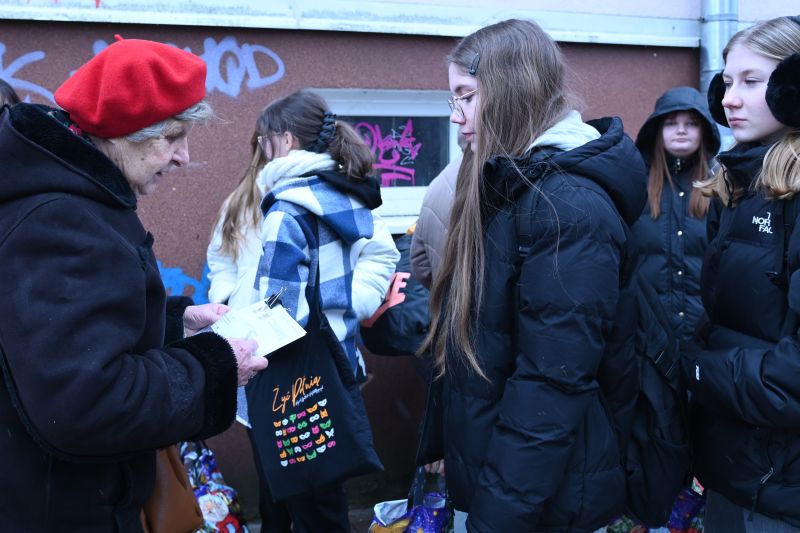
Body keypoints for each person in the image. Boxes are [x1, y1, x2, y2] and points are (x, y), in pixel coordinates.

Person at [0, 37, 267, 531]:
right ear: (123, 132)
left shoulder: (70, 198)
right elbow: (85, 402)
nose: (183, 156)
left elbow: (71, 333)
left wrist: (174, 324)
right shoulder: (61, 221)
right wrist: (213, 368)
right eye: (172, 137)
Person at [416, 18, 648, 532]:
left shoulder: (568, 207)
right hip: (509, 485)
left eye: (466, 96)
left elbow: (550, 386)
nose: (455, 116)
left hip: (544, 503)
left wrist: (495, 518)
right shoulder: (513, 181)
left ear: (510, 90)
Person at [224, 89, 398, 533]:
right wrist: (345, 305)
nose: (262, 150)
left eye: (265, 140)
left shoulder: (286, 211)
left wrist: (225, 340)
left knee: (294, 494)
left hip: (290, 380)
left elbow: (281, 313)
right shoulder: (345, 194)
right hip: (337, 363)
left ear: (284, 140)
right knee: (323, 497)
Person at [683, 15, 800, 531]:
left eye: (752, 81)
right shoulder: (738, 185)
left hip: (782, 491)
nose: (730, 99)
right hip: (735, 471)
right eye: (727, 82)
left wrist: (699, 370)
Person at [633, 87, 720, 348]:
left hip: (705, 337)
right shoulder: (634, 183)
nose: (681, 130)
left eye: (691, 123)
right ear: (657, 130)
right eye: (671, 123)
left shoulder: (722, 185)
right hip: (648, 337)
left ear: (704, 131)